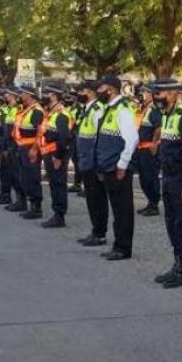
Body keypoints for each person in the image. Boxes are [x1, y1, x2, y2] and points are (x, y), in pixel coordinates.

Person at [152, 78, 182, 289]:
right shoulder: (167, 115)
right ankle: (176, 265)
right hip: (169, 177)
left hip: (181, 179)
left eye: (160, 93)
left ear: (172, 94)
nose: (157, 97)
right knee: (171, 222)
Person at [93, 76, 139, 260]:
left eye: (101, 88)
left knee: (123, 210)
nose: (98, 92)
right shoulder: (108, 109)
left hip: (118, 168)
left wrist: (122, 165)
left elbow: (132, 140)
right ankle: (117, 245)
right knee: (117, 209)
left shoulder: (123, 110)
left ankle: (123, 248)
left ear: (111, 89)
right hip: (108, 166)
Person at [74, 80, 110, 247]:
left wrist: (98, 164)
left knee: (97, 199)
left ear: (90, 92)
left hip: (93, 161)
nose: (79, 95)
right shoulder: (87, 109)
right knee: (91, 198)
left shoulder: (97, 109)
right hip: (86, 159)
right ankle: (95, 230)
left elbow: (99, 138)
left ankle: (100, 233)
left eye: (81, 91)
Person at [38, 87, 75, 228]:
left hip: (56, 155)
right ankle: (57, 214)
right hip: (50, 153)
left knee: (58, 184)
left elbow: (64, 138)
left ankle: (59, 216)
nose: (44, 96)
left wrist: (58, 157)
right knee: (54, 184)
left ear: (54, 96)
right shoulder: (52, 113)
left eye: (47, 93)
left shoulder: (61, 115)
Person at [13, 88, 46, 220]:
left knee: (32, 177)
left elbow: (40, 132)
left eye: (22, 93)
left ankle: (36, 208)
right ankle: (26, 203)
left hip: (31, 147)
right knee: (24, 177)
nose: (20, 95)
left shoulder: (36, 111)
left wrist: (34, 149)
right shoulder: (25, 109)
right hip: (22, 146)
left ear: (29, 95)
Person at [133, 84, 162, 216]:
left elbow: (158, 128)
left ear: (151, 95)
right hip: (140, 149)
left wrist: (154, 144)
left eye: (144, 92)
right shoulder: (142, 108)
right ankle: (150, 202)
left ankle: (154, 205)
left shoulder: (154, 110)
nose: (142, 94)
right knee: (143, 178)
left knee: (150, 178)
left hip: (148, 150)